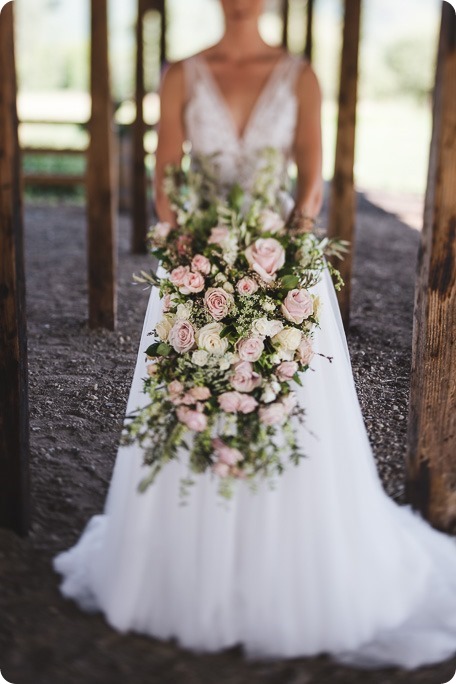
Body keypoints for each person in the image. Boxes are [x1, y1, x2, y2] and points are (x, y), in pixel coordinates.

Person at [54, 0, 456, 670]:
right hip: (197, 267)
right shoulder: (183, 72)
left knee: (287, 411)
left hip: (282, 270)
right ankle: (183, 574)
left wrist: (284, 251)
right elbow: (165, 178)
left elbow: (309, 184)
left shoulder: (299, 75)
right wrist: (189, 248)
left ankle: (287, 571)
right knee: (189, 410)